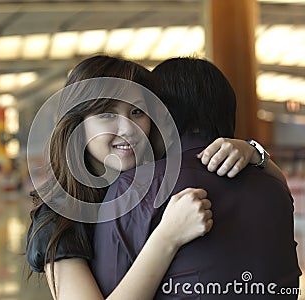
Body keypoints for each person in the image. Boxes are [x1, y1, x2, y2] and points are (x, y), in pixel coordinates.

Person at [25, 55, 275, 300]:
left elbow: (279, 185)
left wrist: (253, 152)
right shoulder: (58, 218)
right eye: (107, 114)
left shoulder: (154, 183)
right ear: (77, 125)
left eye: (137, 112)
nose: (128, 129)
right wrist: (168, 237)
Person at [91, 57, 301, 299]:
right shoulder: (273, 185)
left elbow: (108, 287)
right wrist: (254, 150)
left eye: (140, 112)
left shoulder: (136, 187)